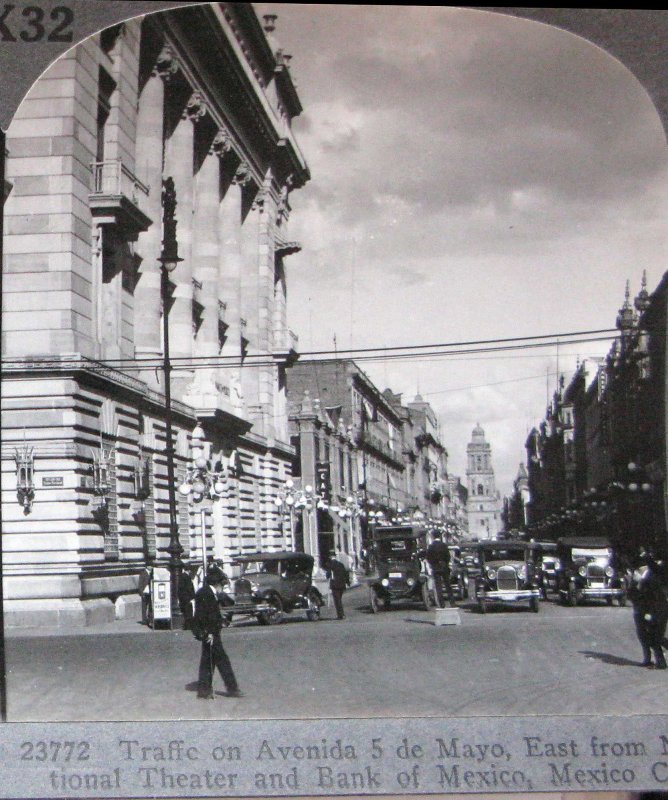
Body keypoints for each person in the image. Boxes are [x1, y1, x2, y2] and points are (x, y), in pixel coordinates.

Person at [192, 566, 242, 699]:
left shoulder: (209, 592)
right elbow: (202, 616)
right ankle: (232, 688)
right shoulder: (205, 594)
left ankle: (204, 691)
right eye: (222, 584)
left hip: (212, 632)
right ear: (217, 583)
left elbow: (219, 610)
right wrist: (208, 633)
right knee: (221, 661)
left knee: (208, 662)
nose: (222, 587)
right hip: (210, 633)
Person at [628, 553, 668, 670]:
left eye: (640, 567)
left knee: (656, 638)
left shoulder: (652, 578)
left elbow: (655, 598)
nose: (638, 569)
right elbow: (630, 594)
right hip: (640, 611)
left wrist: (650, 613)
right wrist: (635, 583)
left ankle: (660, 663)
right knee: (644, 636)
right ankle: (649, 660)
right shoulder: (637, 578)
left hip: (655, 611)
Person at [425, 534, 456, 608]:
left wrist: (433, 564)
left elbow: (428, 558)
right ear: (440, 537)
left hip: (435, 568)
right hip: (444, 566)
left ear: (433, 537)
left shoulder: (431, 546)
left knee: (438, 587)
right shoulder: (444, 545)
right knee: (448, 585)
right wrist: (445, 563)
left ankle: (442, 604)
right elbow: (448, 556)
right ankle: (452, 602)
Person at [326, 551, 350, 620]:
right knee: (339, 599)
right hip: (342, 584)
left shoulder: (330, 565)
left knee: (337, 600)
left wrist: (328, 577)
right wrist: (347, 582)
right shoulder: (341, 564)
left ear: (330, 557)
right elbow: (346, 574)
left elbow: (328, 575)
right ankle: (341, 614)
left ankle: (341, 614)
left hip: (335, 585)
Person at [177, 562, 196, 630]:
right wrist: (192, 596)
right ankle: (188, 626)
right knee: (188, 613)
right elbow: (188, 588)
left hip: (184, 598)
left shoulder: (183, 576)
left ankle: (187, 626)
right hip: (187, 598)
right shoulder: (186, 577)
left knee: (187, 613)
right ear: (189, 570)